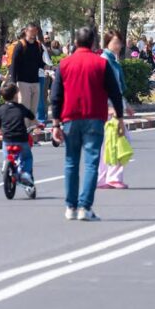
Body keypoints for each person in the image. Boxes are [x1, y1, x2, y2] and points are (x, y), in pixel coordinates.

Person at [50, 27, 125, 222]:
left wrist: (56, 123)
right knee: (91, 163)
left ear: (75, 42)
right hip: (94, 118)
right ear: (93, 43)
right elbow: (115, 92)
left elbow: (56, 96)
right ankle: (85, 207)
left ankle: (70, 207)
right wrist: (120, 118)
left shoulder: (65, 64)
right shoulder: (100, 64)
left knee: (71, 162)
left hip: (70, 119)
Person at [99, 31, 134, 189]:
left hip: (113, 104)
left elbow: (117, 88)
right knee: (120, 140)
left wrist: (125, 105)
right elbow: (107, 87)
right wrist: (111, 107)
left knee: (108, 142)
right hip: (109, 106)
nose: (118, 46)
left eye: (120, 42)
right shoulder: (106, 61)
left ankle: (103, 178)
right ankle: (113, 176)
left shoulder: (113, 60)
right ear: (107, 43)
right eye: (115, 42)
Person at [0, 82, 36, 187]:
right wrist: (38, 124)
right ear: (15, 95)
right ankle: (25, 173)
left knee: (7, 155)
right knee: (27, 157)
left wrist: (0, 130)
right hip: (21, 138)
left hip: (7, 139)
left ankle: (6, 165)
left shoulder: (0, 110)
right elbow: (31, 116)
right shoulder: (20, 108)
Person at [9, 24, 45, 129]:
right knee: (24, 107)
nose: (33, 34)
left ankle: (31, 132)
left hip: (35, 81)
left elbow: (40, 63)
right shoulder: (20, 45)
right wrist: (13, 82)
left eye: (35, 31)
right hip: (23, 81)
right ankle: (23, 132)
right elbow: (13, 65)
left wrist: (51, 68)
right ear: (26, 31)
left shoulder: (38, 45)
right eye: (31, 31)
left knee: (33, 109)